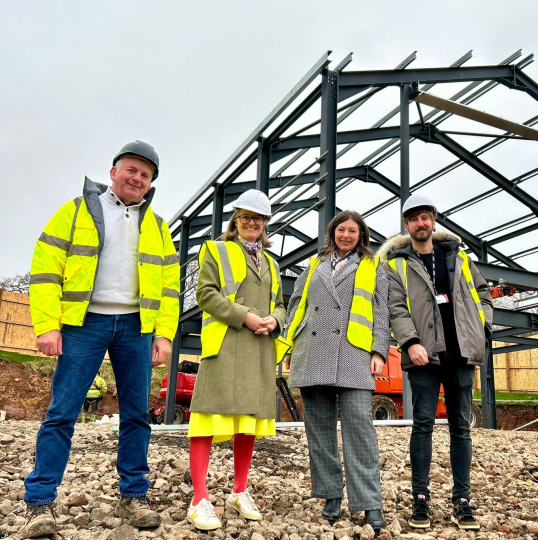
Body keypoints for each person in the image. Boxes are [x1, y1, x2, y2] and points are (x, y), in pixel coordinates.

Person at [21, 141, 179, 538]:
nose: (136, 178)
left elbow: (170, 288)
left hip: (135, 328)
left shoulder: (158, 228)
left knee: (137, 415)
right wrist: (47, 325)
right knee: (62, 412)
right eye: (130, 170)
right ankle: (40, 501)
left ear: (150, 184)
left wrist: (164, 334)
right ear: (112, 172)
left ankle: (134, 495)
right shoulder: (76, 211)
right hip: (83, 324)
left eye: (145, 175)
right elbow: (45, 269)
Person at [378, 193, 493, 532]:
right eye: (414, 218)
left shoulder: (460, 258)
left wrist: (482, 326)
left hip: (460, 354)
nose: (421, 223)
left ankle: (462, 500)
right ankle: (421, 498)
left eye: (425, 217)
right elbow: (395, 307)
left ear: (434, 219)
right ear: (406, 225)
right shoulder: (396, 263)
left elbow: (483, 295)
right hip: (422, 356)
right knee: (423, 425)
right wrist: (410, 342)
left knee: (460, 427)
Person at [186, 189, 287, 531]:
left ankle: (238, 491)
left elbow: (281, 304)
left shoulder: (272, 263)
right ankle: (199, 498)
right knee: (206, 419)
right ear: (236, 220)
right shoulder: (215, 250)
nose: (252, 223)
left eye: (258, 219)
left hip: (259, 348)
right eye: (246, 217)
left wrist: (276, 319)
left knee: (248, 420)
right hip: (226, 344)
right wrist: (243, 316)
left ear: (265, 224)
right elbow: (205, 293)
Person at [284, 210, 389, 531]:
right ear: (333, 233)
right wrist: (289, 346)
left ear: (361, 235)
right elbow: (296, 304)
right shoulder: (315, 263)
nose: (346, 235)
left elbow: (380, 310)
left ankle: (370, 502)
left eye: (352, 231)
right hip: (312, 351)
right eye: (341, 230)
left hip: (353, 352)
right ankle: (330, 494)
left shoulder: (373, 266)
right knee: (320, 430)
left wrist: (379, 350)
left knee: (361, 430)